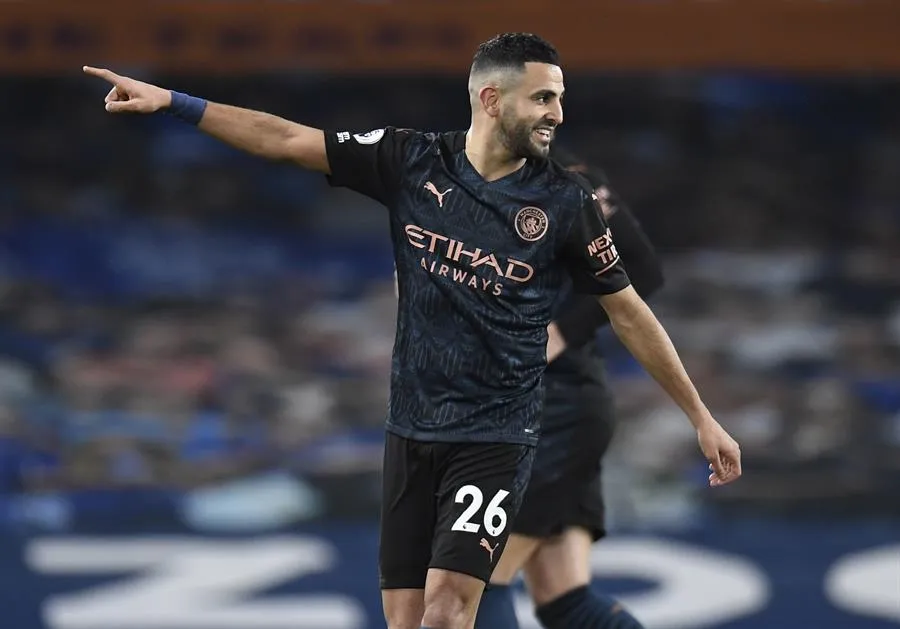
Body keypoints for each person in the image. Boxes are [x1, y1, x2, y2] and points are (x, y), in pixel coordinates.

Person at [83, 32, 741, 629]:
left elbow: (629, 308)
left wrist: (702, 417)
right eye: (543, 98)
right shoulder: (410, 160)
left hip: (495, 433)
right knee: (410, 619)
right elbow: (284, 139)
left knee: (451, 605)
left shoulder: (567, 204)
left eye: (560, 99)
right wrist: (173, 101)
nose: (557, 114)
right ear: (491, 98)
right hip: (411, 428)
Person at [475, 147, 661, 629]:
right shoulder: (456, 192)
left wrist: (563, 330)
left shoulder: (568, 180)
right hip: (541, 408)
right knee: (565, 602)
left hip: (555, 409)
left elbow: (642, 269)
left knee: (475, 581)